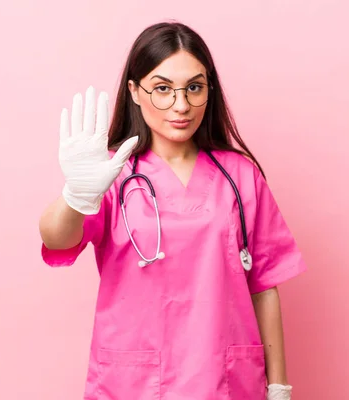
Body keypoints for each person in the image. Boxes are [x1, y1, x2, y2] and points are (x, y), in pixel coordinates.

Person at [39, 21, 306, 400]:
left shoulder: (239, 175)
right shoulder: (111, 172)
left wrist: (279, 387)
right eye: (162, 89)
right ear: (135, 91)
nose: (181, 105)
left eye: (194, 88)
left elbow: (264, 287)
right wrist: (77, 194)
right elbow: (56, 238)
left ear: (208, 90)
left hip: (224, 380)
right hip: (134, 383)